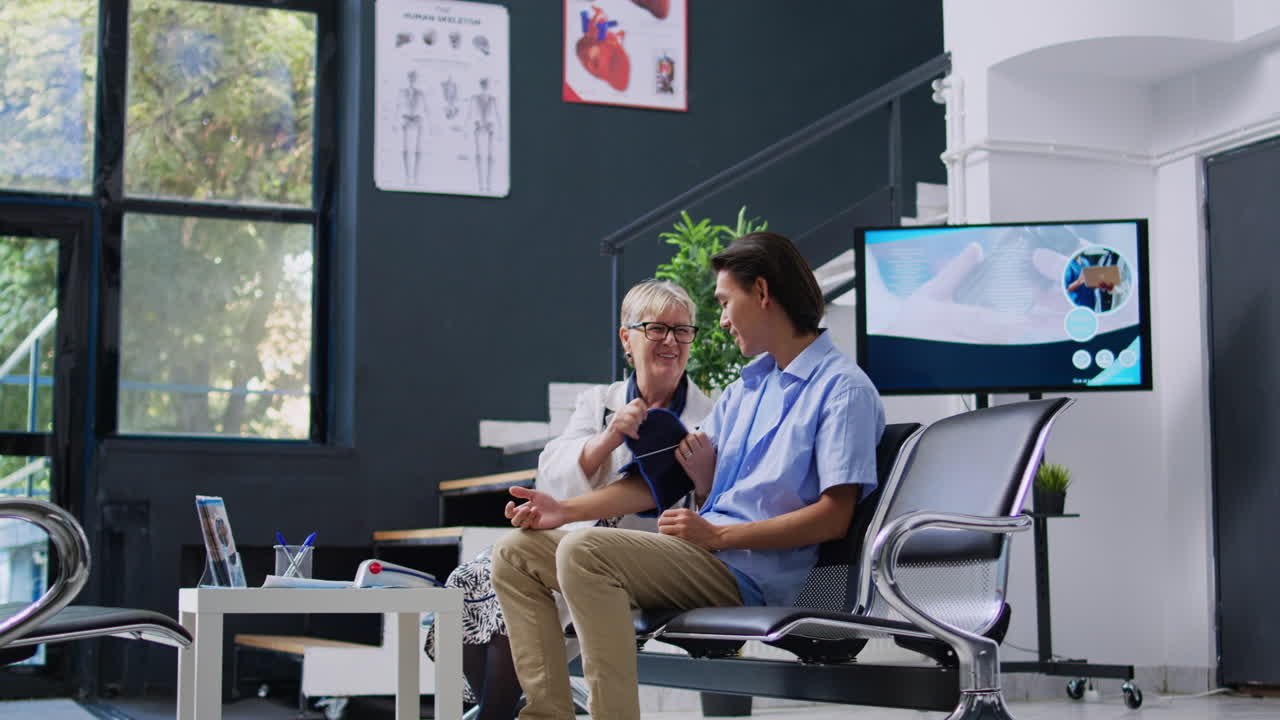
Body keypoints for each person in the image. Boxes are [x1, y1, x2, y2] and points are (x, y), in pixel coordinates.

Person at [491, 231, 885, 720]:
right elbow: (660, 482)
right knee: (515, 554)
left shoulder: (843, 390)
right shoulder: (745, 392)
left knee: (585, 551)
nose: (721, 320)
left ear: (762, 292)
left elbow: (834, 517)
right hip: (703, 558)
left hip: (751, 575)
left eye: (724, 302)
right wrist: (563, 509)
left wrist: (717, 535)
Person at [425, 279, 714, 720]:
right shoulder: (598, 402)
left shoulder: (708, 418)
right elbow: (554, 469)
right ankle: (502, 708)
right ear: (627, 338)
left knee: (520, 591)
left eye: (682, 330)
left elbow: (686, 497)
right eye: (656, 328)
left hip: (643, 557)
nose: (671, 341)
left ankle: (501, 711)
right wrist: (609, 437)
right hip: (572, 537)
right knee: (473, 578)